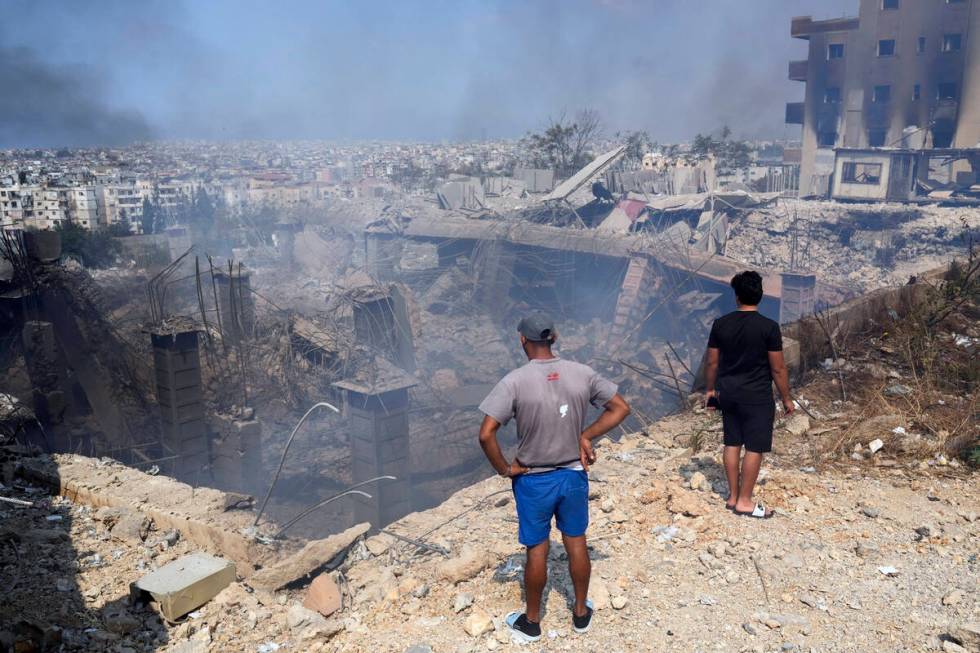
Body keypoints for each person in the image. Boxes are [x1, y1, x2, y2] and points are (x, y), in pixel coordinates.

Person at [478, 311, 631, 642]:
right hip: (573, 475)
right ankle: (579, 614)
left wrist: (505, 469)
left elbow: (486, 433)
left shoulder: (514, 381)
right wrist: (586, 435)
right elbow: (620, 408)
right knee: (576, 541)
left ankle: (532, 622)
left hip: (533, 479)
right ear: (555, 338)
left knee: (537, 549)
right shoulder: (582, 373)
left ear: (522, 340)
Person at [704, 271, 794, 519]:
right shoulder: (769, 327)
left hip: (728, 394)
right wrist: (786, 398)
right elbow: (777, 368)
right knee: (755, 447)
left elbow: (712, 363)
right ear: (761, 296)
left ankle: (732, 496)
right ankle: (745, 501)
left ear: (736, 297)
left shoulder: (721, 324)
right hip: (757, 396)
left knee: (732, 442)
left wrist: (710, 391)